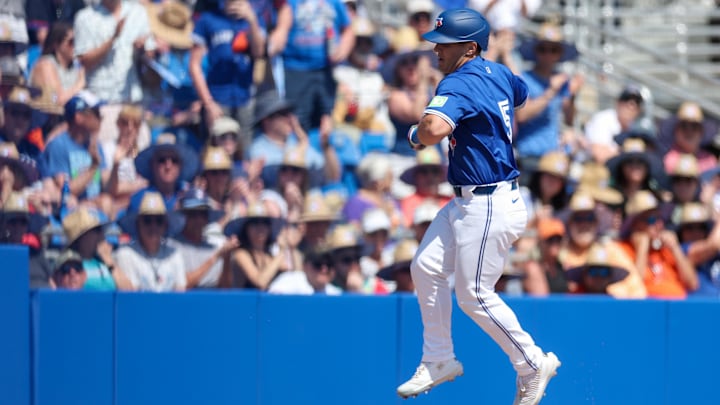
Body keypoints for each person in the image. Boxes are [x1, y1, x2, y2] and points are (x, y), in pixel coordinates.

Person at [397, 9, 560, 404]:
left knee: (473, 294)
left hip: (487, 201)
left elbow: (434, 129)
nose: (436, 51)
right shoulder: (498, 72)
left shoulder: (460, 81)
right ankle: (438, 358)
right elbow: (520, 95)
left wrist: (416, 136)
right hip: (474, 199)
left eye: (444, 44)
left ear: (469, 48)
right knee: (426, 266)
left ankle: (531, 363)